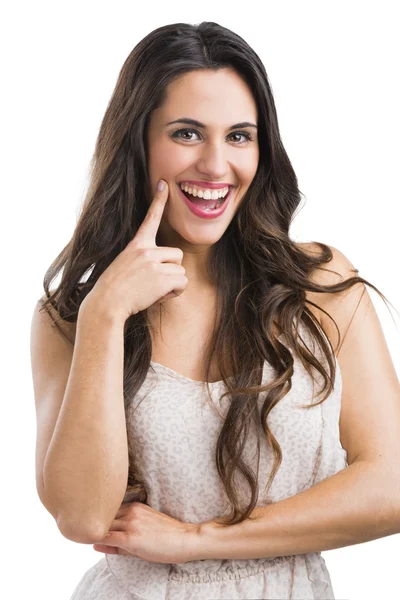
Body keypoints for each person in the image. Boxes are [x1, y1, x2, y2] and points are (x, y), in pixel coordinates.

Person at [30, 21, 400, 600]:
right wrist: (105, 314)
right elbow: (81, 517)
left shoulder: (320, 285)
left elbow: (391, 487)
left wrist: (200, 539)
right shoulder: (73, 315)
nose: (214, 164)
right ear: (138, 141)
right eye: (186, 134)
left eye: (239, 136)